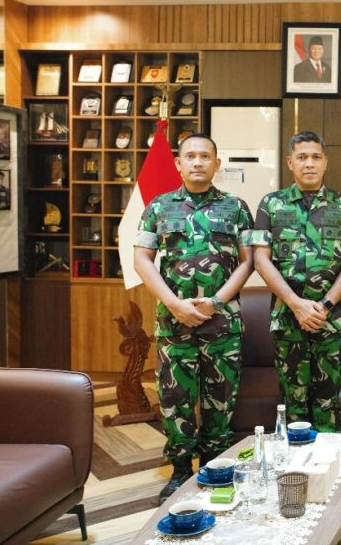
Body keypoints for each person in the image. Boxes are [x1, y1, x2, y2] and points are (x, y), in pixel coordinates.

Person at [132, 133, 254, 505]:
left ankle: (216, 467)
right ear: (178, 163)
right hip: (175, 324)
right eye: (190, 156)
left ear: (217, 163)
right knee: (175, 399)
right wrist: (174, 304)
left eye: (205, 156)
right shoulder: (158, 206)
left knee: (221, 400)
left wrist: (216, 301)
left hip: (222, 324)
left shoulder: (235, 207)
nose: (197, 162)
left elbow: (248, 261)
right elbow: (141, 259)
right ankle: (181, 470)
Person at [251, 131, 341, 431]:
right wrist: (296, 304)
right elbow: (260, 259)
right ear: (290, 162)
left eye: (316, 157)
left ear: (325, 162)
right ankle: (296, 459)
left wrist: (324, 305)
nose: (309, 163)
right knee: (293, 400)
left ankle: (327, 459)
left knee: (328, 402)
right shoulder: (271, 204)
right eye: (302, 157)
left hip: (330, 318)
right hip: (287, 318)